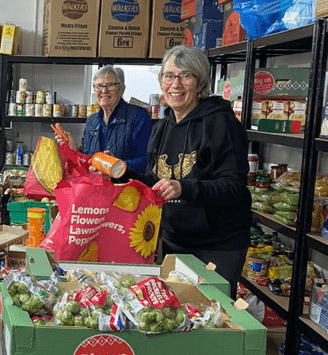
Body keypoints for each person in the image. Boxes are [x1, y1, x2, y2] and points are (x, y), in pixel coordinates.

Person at [114, 45, 252, 299]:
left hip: (218, 245)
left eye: (185, 76)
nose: (175, 84)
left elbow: (234, 186)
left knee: (211, 317)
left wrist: (184, 187)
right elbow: (156, 183)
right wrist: (121, 173)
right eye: (169, 76)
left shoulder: (222, 124)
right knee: (178, 315)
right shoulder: (162, 128)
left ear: (199, 83)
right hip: (175, 241)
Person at [55, 65, 152, 172]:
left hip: (125, 186)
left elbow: (145, 162)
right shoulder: (92, 121)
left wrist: (114, 165)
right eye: (99, 86)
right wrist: (75, 149)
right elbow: (89, 159)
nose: (104, 91)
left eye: (110, 85)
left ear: (121, 90)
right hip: (97, 186)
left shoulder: (138, 116)